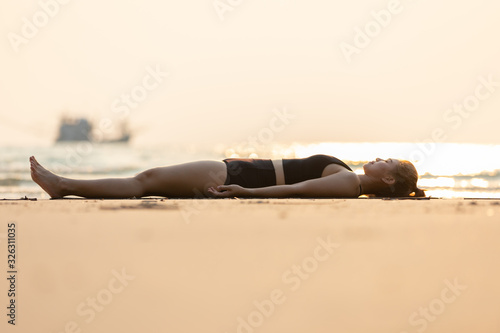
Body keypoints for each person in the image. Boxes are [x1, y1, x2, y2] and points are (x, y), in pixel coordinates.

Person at [29, 154, 425, 199]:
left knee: (145, 180)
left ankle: (63, 186)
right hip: (233, 175)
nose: (378, 158)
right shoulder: (349, 180)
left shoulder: (349, 183)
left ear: (390, 180)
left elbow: (295, 190)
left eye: (387, 161)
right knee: (146, 182)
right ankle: (64, 186)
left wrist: (242, 191)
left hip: (231, 174)